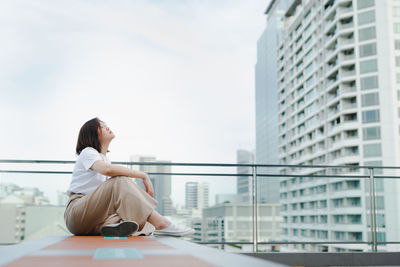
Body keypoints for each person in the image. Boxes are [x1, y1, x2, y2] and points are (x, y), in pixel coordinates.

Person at [64, 117, 194, 237]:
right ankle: (162, 224)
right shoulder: (88, 152)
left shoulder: (105, 159)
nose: (107, 127)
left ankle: (115, 228)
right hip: (77, 212)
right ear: (92, 133)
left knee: (137, 219)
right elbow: (107, 170)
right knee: (119, 181)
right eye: (101, 126)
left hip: (92, 220)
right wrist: (142, 175)